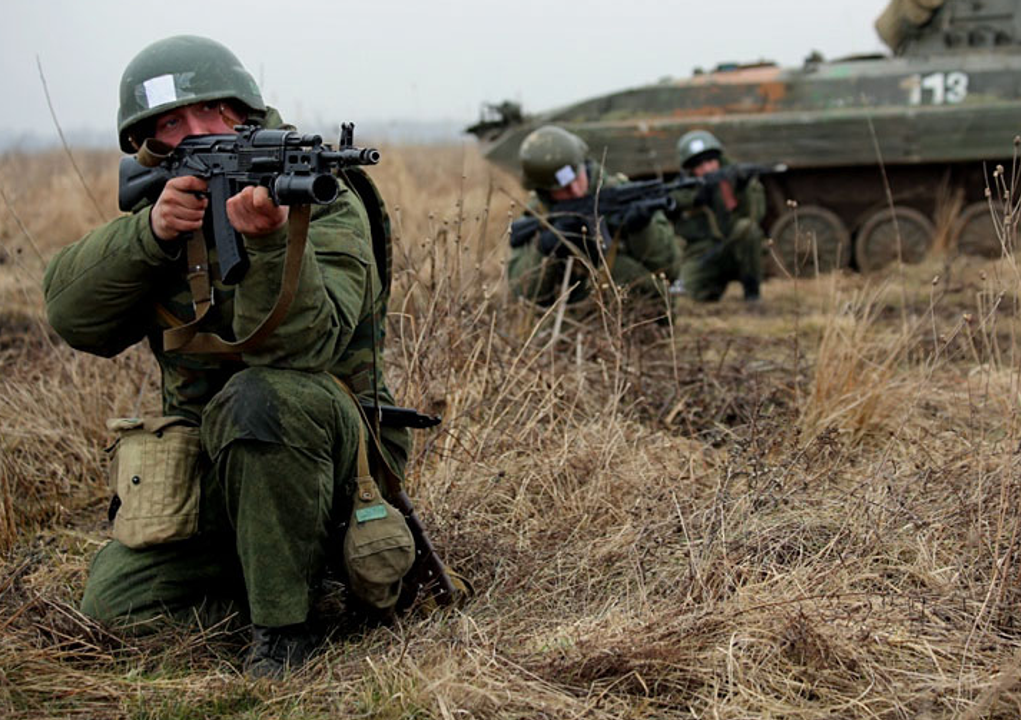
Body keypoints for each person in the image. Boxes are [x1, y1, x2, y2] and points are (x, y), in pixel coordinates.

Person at [42, 35, 415, 678]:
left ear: (244, 110)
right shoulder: (164, 211)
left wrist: (267, 246)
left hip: (334, 464)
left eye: (213, 111)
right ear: (150, 147)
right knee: (113, 606)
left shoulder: (325, 201)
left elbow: (305, 351)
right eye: (172, 123)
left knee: (258, 398)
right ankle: (278, 587)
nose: (198, 129)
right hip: (214, 471)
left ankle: (283, 634)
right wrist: (151, 233)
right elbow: (74, 320)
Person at [506, 125, 681, 318]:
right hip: (570, 323)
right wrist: (546, 247)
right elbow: (522, 295)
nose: (575, 190)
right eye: (563, 188)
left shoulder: (623, 194)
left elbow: (670, 270)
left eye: (577, 178)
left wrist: (642, 230)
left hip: (638, 318)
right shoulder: (540, 216)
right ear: (543, 191)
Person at [671, 130, 768, 302]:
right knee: (685, 292)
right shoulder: (684, 188)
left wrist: (744, 189)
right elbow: (674, 203)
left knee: (747, 228)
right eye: (699, 165)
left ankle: (752, 292)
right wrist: (697, 197)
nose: (707, 169)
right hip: (704, 254)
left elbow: (755, 217)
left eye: (710, 161)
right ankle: (712, 289)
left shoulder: (733, 179)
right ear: (690, 169)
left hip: (736, 249)